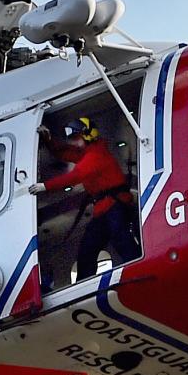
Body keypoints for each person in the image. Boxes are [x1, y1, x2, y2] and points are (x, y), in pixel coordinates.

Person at [39, 113, 140, 281]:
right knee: (88, 249)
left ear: (86, 135)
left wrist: (45, 186)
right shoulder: (88, 153)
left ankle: (138, 270)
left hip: (114, 207)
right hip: (105, 210)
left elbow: (74, 176)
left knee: (121, 240)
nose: (73, 142)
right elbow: (65, 153)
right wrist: (49, 141)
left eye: (76, 137)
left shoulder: (96, 155)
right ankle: (85, 283)